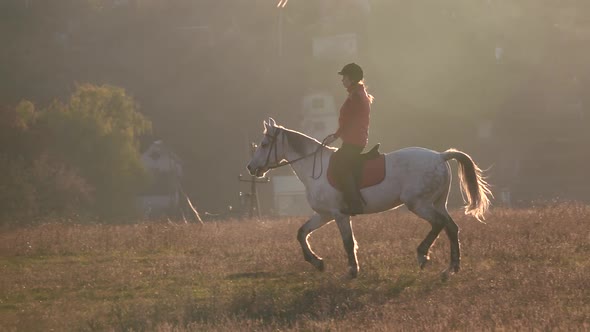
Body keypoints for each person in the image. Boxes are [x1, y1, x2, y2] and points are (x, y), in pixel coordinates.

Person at [325, 62, 373, 215]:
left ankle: (354, 204)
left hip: (354, 141)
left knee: (340, 165)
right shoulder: (357, 94)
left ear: (351, 78)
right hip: (355, 139)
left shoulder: (356, 96)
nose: (342, 80)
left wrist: (335, 136)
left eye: (344, 77)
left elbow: (349, 121)